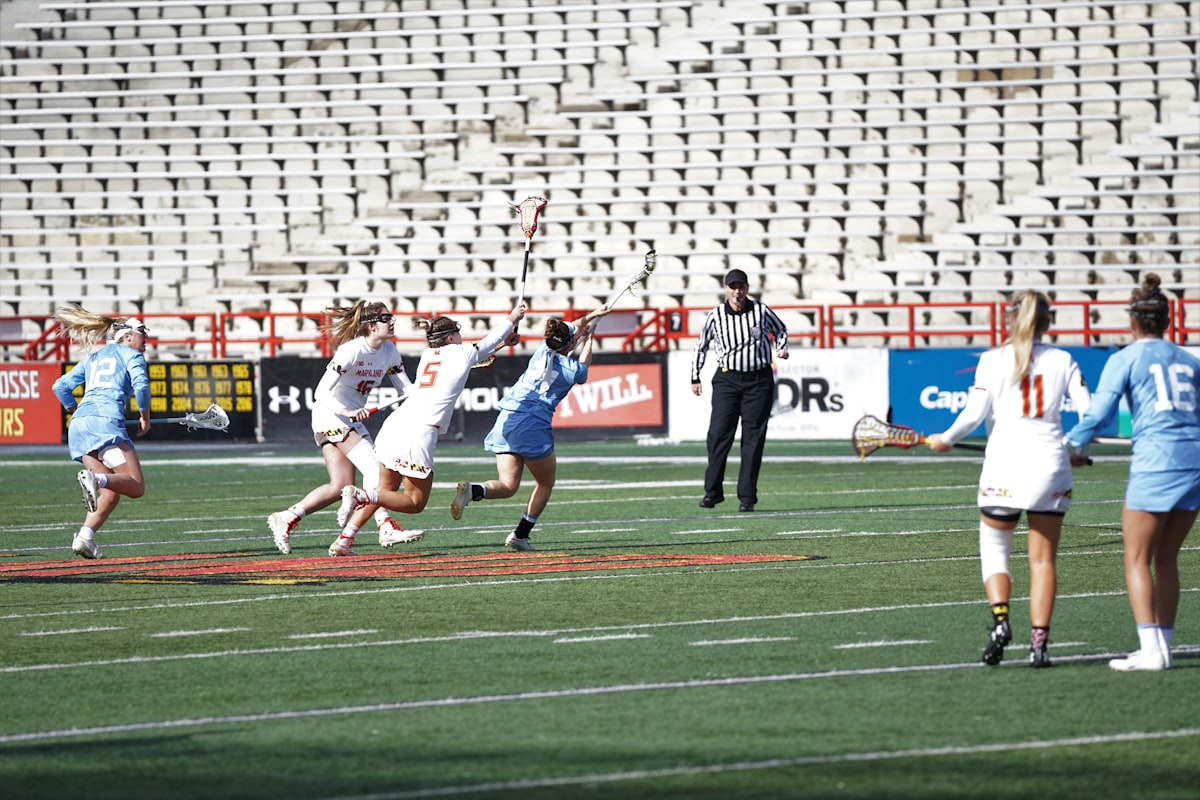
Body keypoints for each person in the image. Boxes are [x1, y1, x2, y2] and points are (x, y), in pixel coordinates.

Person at [927, 290, 1092, 668]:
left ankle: (1001, 621)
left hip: (1003, 464)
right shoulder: (1064, 360)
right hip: (1050, 464)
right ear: (1047, 322)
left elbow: (973, 415)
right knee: (1043, 561)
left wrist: (945, 440)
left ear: (1008, 320)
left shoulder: (991, 360)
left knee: (995, 550)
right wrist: (1077, 450)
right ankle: (1039, 645)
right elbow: (1090, 414)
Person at [1065, 273, 1200, 672]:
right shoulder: (1191, 359)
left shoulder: (1124, 358)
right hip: (1194, 463)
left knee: (1137, 557)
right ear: (1168, 320)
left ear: (1133, 321)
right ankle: (1164, 645)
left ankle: (1151, 650)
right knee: (1168, 558)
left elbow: (1098, 412)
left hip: (1156, 465)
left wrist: (1070, 444)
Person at [330, 304, 526, 556]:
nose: (461, 337)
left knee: (384, 492)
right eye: (458, 333)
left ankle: (344, 540)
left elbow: (471, 360)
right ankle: (357, 494)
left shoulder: (429, 355)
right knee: (414, 503)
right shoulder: (461, 352)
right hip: (418, 432)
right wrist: (512, 317)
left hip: (396, 424)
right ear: (450, 337)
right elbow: (489, 341)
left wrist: (502, 344)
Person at [450, 305, 611, 551]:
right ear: (570, 344)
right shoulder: (571, 369)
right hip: (533, 424)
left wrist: (591, 316)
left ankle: (473, 491)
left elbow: (571, 329)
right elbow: (584, 368)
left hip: (507, 418)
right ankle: (520, 535)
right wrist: (589, 338)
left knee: (508, 485)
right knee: (545, 483)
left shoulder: (542, 350)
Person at [267, 300, 417, 555]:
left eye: (392, 317)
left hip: (347, 420)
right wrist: (346, 411)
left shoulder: (390, 351)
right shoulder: (351, 350)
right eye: (385, 318)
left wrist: (430, 386)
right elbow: (320, 391)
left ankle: (287, 517)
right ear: (371, 326)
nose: (392, 321)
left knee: (339, 486)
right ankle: (385, 526)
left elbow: (406, 389)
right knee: (376, 470)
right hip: (332, 414)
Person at [50, 304, 153, 560]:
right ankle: (95, 481)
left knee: (112, 491)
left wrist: (75, 410)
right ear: (126, 336)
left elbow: (60, 386)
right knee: (136, 486)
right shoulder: (132, 355)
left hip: (80, 427)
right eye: (142, 332)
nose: (146, 338)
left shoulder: (94, 357)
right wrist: (144, 416)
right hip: (106, 425)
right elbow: (141, 385)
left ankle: (85, 536)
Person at [690, 268, 789, 512]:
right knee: (718, 435)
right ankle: (713, 492)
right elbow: (701, 346)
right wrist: (695, 376)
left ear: (747, 288)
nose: (737, 292)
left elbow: (781, 330)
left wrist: (781, 347)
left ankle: (747, 497)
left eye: (741, 287)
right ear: (726, 289)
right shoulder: (715, 316)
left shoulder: (760, 310)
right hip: (727, 379)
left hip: (758, 379)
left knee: (753, 439)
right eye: (733, 287)